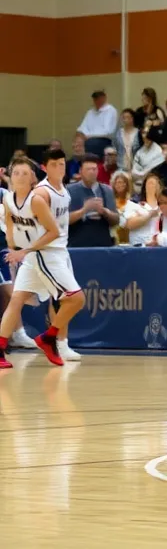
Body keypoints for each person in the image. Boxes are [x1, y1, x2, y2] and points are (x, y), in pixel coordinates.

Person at [0, 151, 83, 369]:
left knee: (17, 300)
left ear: (31, 177)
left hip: (47, 251)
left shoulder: (61, 190)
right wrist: (16, 249)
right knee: (75, 299)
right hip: (46, 252)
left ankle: (4, 347)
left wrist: (20, 250)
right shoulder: (39, 196)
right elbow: (40, 230)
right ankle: (51, 339)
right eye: (15, 173)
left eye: (63, 164)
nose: (18, 176)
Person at [67, 154, 119, 247]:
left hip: (103, 244)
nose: (92, 172)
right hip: (77, 245)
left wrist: (104, 211)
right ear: (80, 171)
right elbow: (63, 220)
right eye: (88, 169)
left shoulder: (106, 190)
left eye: (94, 169)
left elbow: (116, 220)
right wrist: (84, 210)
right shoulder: (69, 190)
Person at [78, 90, 118, 159]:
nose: (97, 101)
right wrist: (81, 137)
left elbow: (108, 131)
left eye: (98, 99)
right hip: (88, 139)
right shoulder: (90, 112)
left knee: (91, 144)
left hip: (105, 141)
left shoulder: (111, 111)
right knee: (79, 144)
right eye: (95, 100)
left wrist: (90, 136)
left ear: (104, 98)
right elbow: (83, 127)